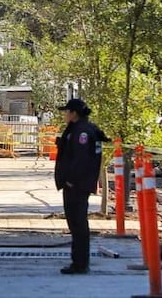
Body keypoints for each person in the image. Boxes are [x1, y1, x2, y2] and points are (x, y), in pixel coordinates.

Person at [54, 98, 108, 275]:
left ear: (74, 113)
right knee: (75, 223)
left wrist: (71, 180)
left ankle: (80, 263)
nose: (65, 115)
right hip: (77, 183)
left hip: (77, 185)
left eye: (67, 112)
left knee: (78, 224)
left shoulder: (82, 132)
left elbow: (82, 159)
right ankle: (78, 261)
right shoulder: (80, 129)